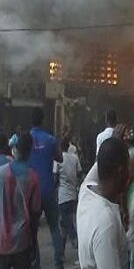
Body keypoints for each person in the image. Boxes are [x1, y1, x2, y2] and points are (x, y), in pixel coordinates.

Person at [77, 137, 129, 268]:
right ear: (121, 171)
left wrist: (114, 138)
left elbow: (101, 162)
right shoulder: (106, 223)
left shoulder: (85, 192)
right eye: (129, 167)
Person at [29, 107, 64, 269]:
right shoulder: (50, 139)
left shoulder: (25, 139)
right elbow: (60, 158)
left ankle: (36, 265)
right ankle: (59, 263)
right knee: (54, 227)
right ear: (42, 120)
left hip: (32, 192)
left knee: (32, 231)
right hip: (49, 189)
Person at [0, 132, 41, 268]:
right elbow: (35, 213)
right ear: (30, 151)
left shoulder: (2, 173)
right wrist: (34, 242)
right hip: (21, 241)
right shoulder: (33, 177)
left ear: (15, 148)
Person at [56, 137, 82, 253]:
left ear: (60, 147)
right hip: (73, 194)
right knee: (64, 223)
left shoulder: (58, 160)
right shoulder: (75, 158)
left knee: (66, 221)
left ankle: (75, 239)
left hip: (63, 196)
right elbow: (80, 173)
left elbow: (54, 178)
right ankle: (61, 252)